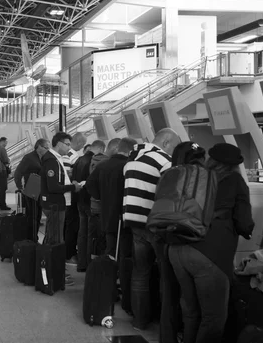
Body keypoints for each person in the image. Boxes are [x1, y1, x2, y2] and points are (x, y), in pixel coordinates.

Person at [169, 143, 254, 343]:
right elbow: (244, 222)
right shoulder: (234, 180)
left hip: (178, 249)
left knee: (191, 314)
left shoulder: (195, 177)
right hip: (209, 254)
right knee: (213, 318)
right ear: (234, 165)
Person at [122, 128, 181, 331]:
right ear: (165, 142)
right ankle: (166, 323)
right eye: (174, 147)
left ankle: (140, 320)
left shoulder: (133, 158)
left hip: (134, 223)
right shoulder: (164, 161)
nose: (174, 153)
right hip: (156, 225)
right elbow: (172, 192)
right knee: (166, 275)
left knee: (140, 273)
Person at [87, 137, 137, 314]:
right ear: (130, 151)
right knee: (124, 257)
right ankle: (123, 292)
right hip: (124, 218)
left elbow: (90, 185)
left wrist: (102, 197)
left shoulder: (103, 165)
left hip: (107, 215)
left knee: (110, 253)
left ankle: (109, 290)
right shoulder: (129, 167)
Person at [40, 132, 82, 286]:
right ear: (58, 143)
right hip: (55, 205)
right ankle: (56, 274)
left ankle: (50, 269)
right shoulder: (51, 160)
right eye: (67, 144)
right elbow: (53, 186)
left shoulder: (55, 159)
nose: (69, 148)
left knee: (52, 238)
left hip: (56, 204)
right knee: (56, 240)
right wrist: (73, 187)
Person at [14, 138, 50, 242]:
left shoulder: (46, 158)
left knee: (38, 215)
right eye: (46, 147)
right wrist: (20, 187)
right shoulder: (29, 158)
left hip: (43, 188)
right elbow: (18, 173)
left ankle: (34, 237)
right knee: (33, 215)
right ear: (39, 147)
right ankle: (32, 239)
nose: (48, 150)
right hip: (32, 187)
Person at [71, 140, 97, 272]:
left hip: (79, 200)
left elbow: (74, 180)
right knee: (90, 234)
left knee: (82, 233)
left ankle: (81, 263)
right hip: (89, 202)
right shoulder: (93, 162)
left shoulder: (79, 160)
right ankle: (88, 263)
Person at [61, 132, 87, 266]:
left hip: (63, 196)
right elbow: (72, 177)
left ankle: (64, 253)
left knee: (65, 225)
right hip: (70, 196)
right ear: (80, 144)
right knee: (72, 225)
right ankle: (69, 254)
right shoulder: (74, 156)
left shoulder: (64, 155)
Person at [0, 137, 11, 210]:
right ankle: (3, 205)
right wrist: (8, 161)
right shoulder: (2, 148)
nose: (6, 144)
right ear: (3, 141)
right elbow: (6, 160)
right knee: (2, 189)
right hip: (2, 170)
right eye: (6, 142)